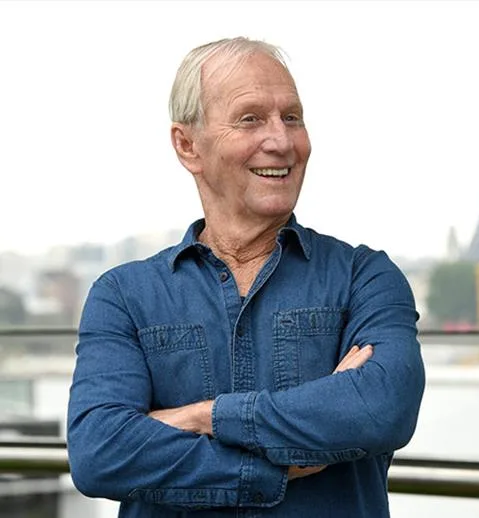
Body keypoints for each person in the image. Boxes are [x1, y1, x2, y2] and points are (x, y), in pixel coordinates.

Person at [67, 37, 425, 517]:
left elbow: (381, 409)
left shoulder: (365, 276)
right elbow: (100, 454)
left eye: (292, 117)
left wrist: (204, 417)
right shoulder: (124, 295)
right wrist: (272, 468)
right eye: (250, 118)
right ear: (187, 145)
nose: (281, 141)